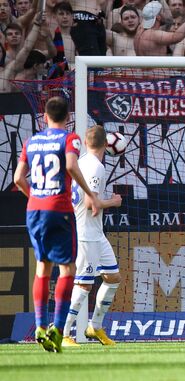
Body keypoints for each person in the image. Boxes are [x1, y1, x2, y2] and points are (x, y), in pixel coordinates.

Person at [13, 96, 100, 353]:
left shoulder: (31, 141)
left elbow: (18, 177)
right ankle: (58, 329)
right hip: (59, 209)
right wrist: (90, 193)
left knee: (42, 267)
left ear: (45, 117)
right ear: (68, 117)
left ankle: (40, 326)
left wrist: (35, 197)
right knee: (67, 269)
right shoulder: (69, 138)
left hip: (34, 211)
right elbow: (71, 165)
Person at [62, 125, 123, 347]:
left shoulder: (83, 162)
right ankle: (64, 332)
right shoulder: (96, 167)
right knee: (84, 285)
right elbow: (90, 204)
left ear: (86, 143)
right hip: (86, 234)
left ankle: (94, 326)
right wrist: (113, 202)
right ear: (107, 144)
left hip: (96, 233)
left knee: (113, 278)